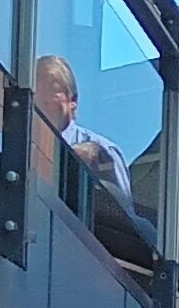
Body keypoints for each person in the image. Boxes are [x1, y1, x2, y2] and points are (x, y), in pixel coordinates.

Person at [33, 54, 134, 211]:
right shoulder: (24, 144)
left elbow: (123, 219)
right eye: (38, 89)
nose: (45, 98)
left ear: (73, 101)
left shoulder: (103, 151)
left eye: (53, 90)